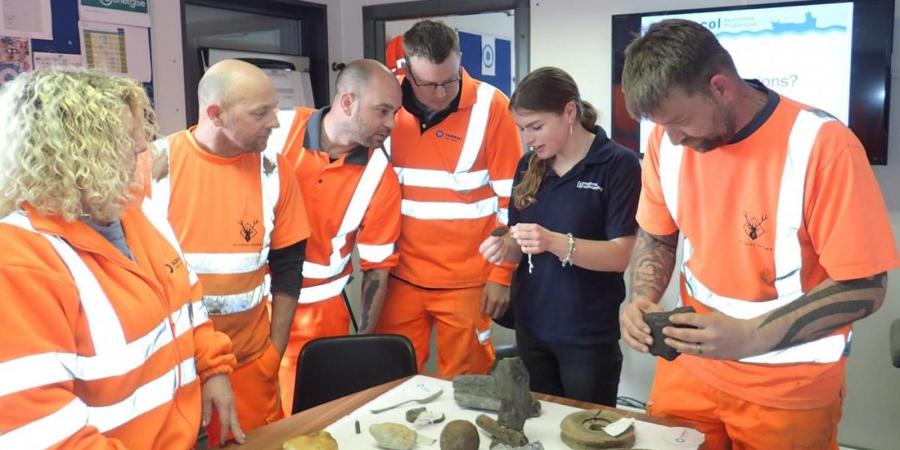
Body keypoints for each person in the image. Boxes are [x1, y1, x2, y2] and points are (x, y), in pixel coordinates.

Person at [619, 19, 899, 450]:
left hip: (789, 389)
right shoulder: (666, 142)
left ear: (721, 87)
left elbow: (865, 286)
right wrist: (639, 296)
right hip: (689, 370)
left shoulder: (822, 146)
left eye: (680, 121)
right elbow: (657, 236)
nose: (672, 139)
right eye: (662, 126)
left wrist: (752, 336)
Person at [0, 69, 239, 448]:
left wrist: (214, 370)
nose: (143, 147)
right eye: (126, 137)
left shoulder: (138, 211)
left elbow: (188, 303)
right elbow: (42, 434)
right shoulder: (19, 261)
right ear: (71, 152)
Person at [148, 59, 311, 446]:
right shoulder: (154, 168)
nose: (275, 122)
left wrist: (274, 352)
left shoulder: (274, 170)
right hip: (175, 370)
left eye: (274, 108)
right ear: (216, 115)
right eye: (261, 113)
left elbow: (289, 268)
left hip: (250, 362)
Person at [479, 67, 640, 405]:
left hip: (586, 335)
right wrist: (502, 248)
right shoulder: (528, 164)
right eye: (522, 129)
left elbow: (619, 256)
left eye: (536, 127)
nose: (528, 139)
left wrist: (554, 242)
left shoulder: (618, 164)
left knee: (584, 434)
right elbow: (519, 246)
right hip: (532, 327)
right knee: (542, 430)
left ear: (570, 112)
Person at [375, 19, 523, 376]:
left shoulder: (493, 108)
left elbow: (515, 203)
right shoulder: (385, 107)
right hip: (400, 280)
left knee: (467, 386)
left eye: (449, 80)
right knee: (388, 379)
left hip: (468, 282)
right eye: (428, 84)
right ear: (407, 72)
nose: (441, 93)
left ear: (458, 59)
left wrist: (502, 276)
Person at [275, 59, 402, 414]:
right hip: (252, 307)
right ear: (347, 102)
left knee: (311, 419)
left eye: (395, 112)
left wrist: (360, 348)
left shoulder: (380, 175)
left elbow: (378, 268)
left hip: (320, 315)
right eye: (382, 111)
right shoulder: (275, 129)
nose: (392, 123)